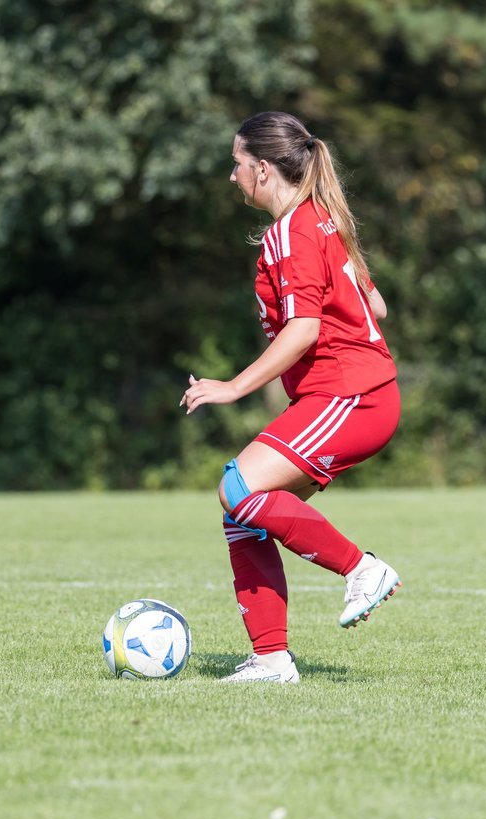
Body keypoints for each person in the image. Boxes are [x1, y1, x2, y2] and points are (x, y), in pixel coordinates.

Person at [179, 111, 401, 683]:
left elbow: (304, 330)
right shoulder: (321, 220)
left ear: (261, 167)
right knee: (241, 513)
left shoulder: (293, 232)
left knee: (237, 486)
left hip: (350, 394)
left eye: (236, 164)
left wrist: (231, 387)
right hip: (352, 393)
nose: (232, 177)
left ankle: (362, 570)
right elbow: (374, 308)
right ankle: (271, 660)